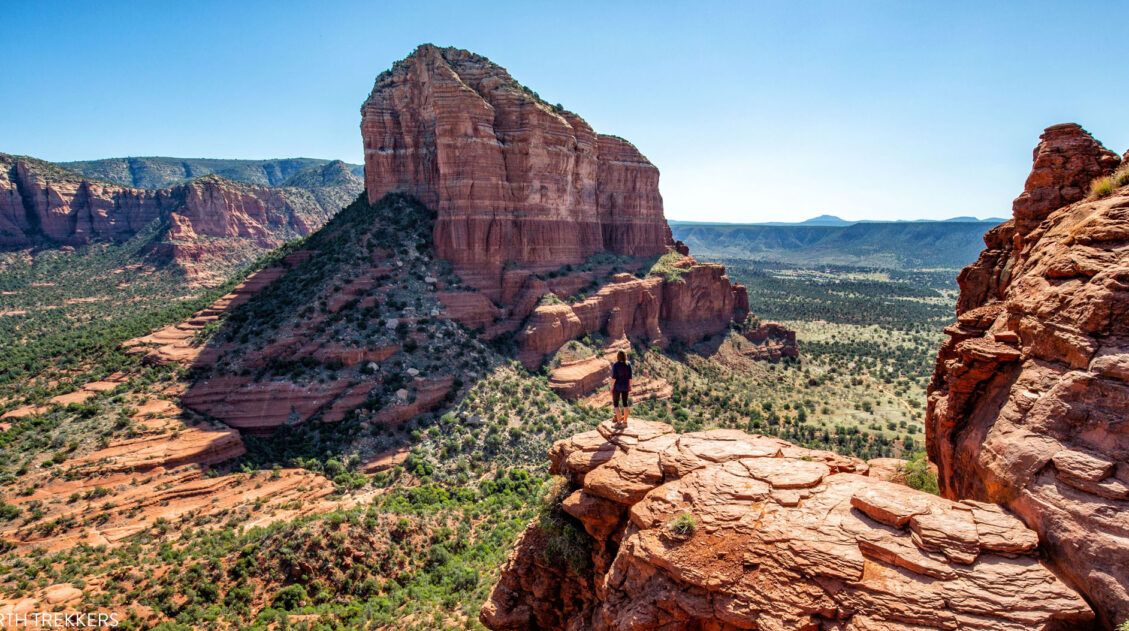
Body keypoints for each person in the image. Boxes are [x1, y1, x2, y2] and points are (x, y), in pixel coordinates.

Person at [610, 350, 632, 424]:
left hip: (617, 387)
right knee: (625, 403)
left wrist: (611, 387)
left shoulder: (616, 365)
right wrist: (630, 386)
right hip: (625, 386)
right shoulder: (628, 364)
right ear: (625, 356)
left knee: (616, 404)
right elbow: (630, 377)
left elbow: (614, 378)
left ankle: (619, 422)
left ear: (618, 356)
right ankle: (625, 422)